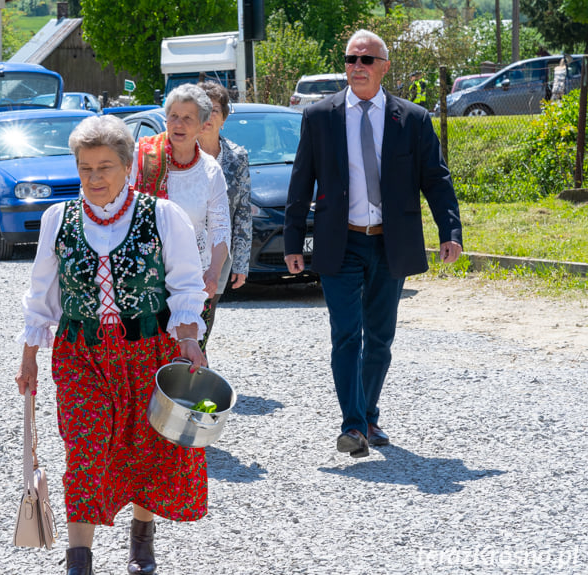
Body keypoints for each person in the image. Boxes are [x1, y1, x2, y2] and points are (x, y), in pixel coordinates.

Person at [15, 114, 209, 575]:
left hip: (149, 352)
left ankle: (142, 540)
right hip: (81, 354)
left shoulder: (162, 215)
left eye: (104, 167)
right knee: (85, 446)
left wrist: (188, 339)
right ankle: (78, 560)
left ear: (127, 167)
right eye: (85, 168)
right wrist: (29, 355)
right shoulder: (57, 219)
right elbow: (41, 292)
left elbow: (185, 286)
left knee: (147, 446)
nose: (94, 177)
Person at [284, 29, 463, 458]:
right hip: (339, 243)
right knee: (347, 335)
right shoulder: (320, 116)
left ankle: (368, 415)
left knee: (379, 337)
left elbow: (435, 179)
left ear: (384, 66)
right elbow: (300, 180)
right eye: (351, 59)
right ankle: (353, 426)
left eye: (367, 60)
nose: (358, 67)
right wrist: (293, 240)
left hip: (390, 243)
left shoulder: (413, 120)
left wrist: (450, 231)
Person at [130, 83, 231, 352]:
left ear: (202, 125)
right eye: (174, 116)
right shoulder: (141, 159)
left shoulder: (210, 171)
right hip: (142, 276)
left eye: (188, 118)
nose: (179, 124)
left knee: (186, 354)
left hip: (192, 282)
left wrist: (213, 273)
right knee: (144, 353)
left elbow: (220, 227)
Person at [196, 81, 252, 344]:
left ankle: (194, 374)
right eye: (201, 109)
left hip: (219, 252)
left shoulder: (237, 156)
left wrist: (241, 262)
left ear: (225, 116)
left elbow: (242, 212)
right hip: (181, 252)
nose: (207, 116)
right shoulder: (177, 155)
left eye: (214, 110)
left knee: (205, 321)